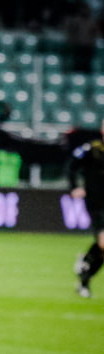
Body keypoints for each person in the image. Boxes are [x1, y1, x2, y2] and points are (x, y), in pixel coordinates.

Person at [69, 118, 104, 298]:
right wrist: (75, 186)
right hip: (97, 203)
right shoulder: (92, 148)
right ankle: (85, 271)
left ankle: (85, 276)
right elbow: (72, 167)